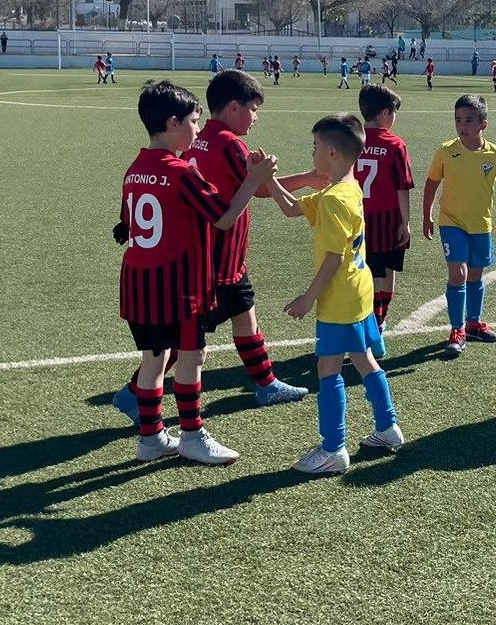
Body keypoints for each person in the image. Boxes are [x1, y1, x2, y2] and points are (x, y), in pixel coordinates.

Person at [113, 70, 314, 418]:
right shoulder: (228, 143)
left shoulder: (201, 138)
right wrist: (308, 178)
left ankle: (266, 383)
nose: (256, 117)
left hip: (215, 256)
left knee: (243, 315)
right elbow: (256, 189)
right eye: (253, 109)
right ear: (234, 107)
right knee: (186, 341)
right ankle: (140, 397)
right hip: (211, 260)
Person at [268, 113, 403, 474]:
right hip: (359, 291)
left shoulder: (332, 200)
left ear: (331, 153)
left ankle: (333, 449)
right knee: (364, 360)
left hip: (339, 298)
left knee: (327, 369)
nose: (311, 153)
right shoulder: (346, 188)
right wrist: (268, 180)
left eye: (314, 147)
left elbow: (333, 258)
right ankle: (388, 427)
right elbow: (293, 209)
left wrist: (308, 298)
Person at [422, 94, 496, 357]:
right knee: (458, 274)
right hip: (451, 222)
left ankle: (473, 324)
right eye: (458, 120)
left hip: (481, 225)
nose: (461, 126)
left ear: (482, 124)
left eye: (468, 120)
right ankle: (457, 329)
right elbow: (432, 183)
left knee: (476, 274)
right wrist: (427, 215)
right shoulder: (446, 151)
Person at [357, 85, 415, 359]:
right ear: (384, 113)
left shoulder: (352, 139)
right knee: (386, 273)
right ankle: (378, 327)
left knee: (363, 274)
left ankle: (366, 326)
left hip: (356, 217)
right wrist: (406, 221)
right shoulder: (395, 144)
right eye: (393, 112)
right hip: (387, 219)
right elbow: (402, 186)